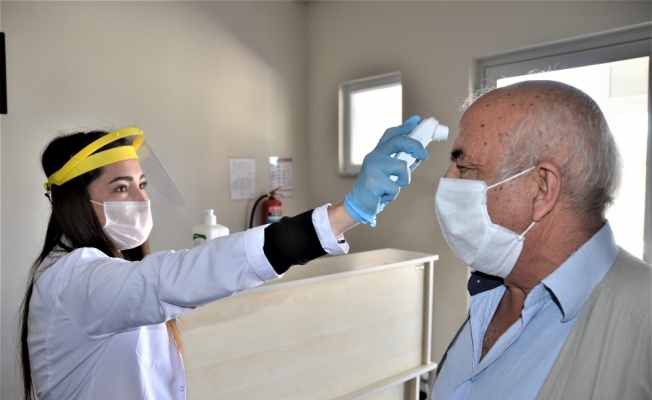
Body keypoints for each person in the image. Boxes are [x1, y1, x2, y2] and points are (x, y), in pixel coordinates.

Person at [18, 116, 428, 400]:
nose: (142, 199)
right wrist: (343, 214)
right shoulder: (71, 281)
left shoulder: (108, 271)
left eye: (142, 184)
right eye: (121, 188)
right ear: (76, 201)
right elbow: (172, 279)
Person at [431, 80, 651, 400]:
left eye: (464, 167)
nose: (447, 180)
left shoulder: (643, 321)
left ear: (542, 190)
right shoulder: (491, 287)